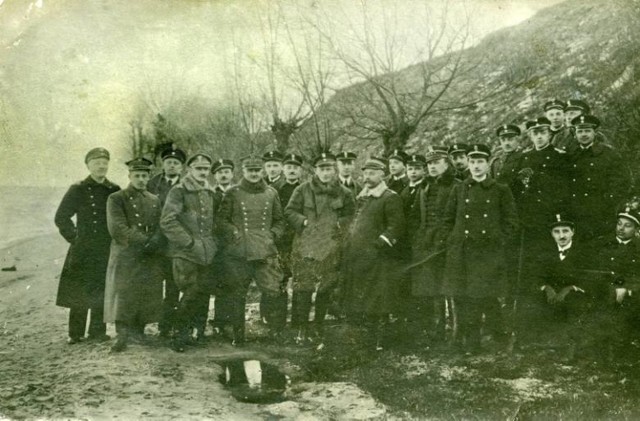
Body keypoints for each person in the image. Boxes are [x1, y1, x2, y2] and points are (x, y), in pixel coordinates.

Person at [442, 144, 519, 353]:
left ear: (488, 164)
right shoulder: (459, 189)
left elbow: (511, 223)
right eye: (473, 162)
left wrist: (497, 241)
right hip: (462, 252)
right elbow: (448, 219)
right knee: (463, 296)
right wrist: (452, 240)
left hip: (487, 253)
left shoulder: (500, 189)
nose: (476, 166)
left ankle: (492, 338)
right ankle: (469, 340)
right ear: (468, 163)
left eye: (480, 162)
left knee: (482, 296)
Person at [285, 152, 355, 342]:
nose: (326, 173)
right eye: (322, 169)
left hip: (331, 246)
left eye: (329, 169)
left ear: (334, 170)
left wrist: (340, 224)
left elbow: (351, 215)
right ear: (316, 170)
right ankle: (302, 328)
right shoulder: (302, 190)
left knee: (325, 287)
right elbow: (290, 211)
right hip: (305, 245)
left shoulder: (345, 193)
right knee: (303, 289)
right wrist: (304, 221)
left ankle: (318, 325)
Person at [54, 147, 121, 344]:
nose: (101, 166)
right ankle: (75, 334)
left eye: (104, 162)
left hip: (105, 247)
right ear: (88, 165)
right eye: (96, 163)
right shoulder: (78, 188)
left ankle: (97, 332)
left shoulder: (114, 190)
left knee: (102, 288)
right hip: (83, 248)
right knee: (79, 290)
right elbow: (61, 217)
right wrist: (74, 237)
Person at [218, 155, 286, 345]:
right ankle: (238, 336)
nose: (254, 174)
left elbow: (280, 220)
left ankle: (275, 333)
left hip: (265, 250)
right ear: (244, 172)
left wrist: (273, 234)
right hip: (240, 252)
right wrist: (234, 232)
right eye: (250, 171)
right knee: (238, 294)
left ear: (262, 171)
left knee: (274, 291)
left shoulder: (271, 193)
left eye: (257, 170)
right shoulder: (232, 193)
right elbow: (221, 220)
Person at [343, 157, 405, 350]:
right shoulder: (362, 197)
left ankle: (380, 340)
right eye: (365, 174)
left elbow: (396, 226)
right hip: (358, 256)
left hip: (378, 258)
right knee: (361, 299)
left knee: (379, 301)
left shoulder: (390, 197)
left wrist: (380, 244)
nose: (367, 177)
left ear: (382, 175)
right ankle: (365, 338)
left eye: (372, 173)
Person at [161, 152, 221, 352]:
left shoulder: (209, 191)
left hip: (206, 252)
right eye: (199, 169)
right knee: (190, 291)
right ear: (189, 170)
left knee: (202, 291)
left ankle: (198, 332)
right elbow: (167, 221)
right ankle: (180, 335)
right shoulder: (179, 191)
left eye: (206, 169)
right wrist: (188, 242)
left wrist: (212, 243)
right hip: (185, 252)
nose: (203, 172)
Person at [104, 158, 164, 352]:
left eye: (144, 176)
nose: (140, 179)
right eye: (136, 175)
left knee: (146, 290)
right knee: (124, 291)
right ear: (129, 176)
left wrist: (154, 241)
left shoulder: (154, 199)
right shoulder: (116, 198)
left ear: (148, 177)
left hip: (148, 254)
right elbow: (117, 227)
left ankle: (139, 331)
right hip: (126, 252)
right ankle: (122, 333)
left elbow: (160, 225)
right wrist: (143, 240)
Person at [410, 146, 458, 343]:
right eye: (429, 163)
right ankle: (435, 331)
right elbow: (417, 217)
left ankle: (455, 332)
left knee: (450, 290)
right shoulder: (425, 187)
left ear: (446, 163)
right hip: (426, 246)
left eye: (436, 162)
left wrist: (449, 240)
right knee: (429, 290)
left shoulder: (457, 185)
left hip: (448, 245)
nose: (432, 166)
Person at [512, 117, 570, 260]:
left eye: (542, 132)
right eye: (535, 133)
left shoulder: (559, 156)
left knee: (550, 250)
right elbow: (518, 186)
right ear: (530, 136)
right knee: (530, 252)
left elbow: (565, 187)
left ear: (549, 134)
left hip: (551, 212)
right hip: (529, 213)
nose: (539, 136)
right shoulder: (524, 158)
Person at [568, 114, 631, 241]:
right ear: (575, 134)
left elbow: (622, 181)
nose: (584, 134)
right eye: (580, 131)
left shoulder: (608, 154)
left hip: (601, 213)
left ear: (595, 133)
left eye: (587, 131)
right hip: (576, 213)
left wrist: (607, 202)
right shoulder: (570, 155)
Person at [147, 146, 186, 338]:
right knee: (151, 283)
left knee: (173, 285)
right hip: (154, 242)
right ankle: (143, 323)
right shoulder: (153, 184)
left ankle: (167, 324)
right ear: (163, 165)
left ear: (181, 167)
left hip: (175, 244)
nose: (172, 166)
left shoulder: (186, 185)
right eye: (169, 162)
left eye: (176, 163)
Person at [261, 153, 304, 329]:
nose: (292, 171)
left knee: (295, 280)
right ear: (284, 169)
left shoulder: (304, 189)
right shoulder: (272, 188)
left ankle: (294, 321)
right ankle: (272, 319)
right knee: (274, 279)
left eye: (295, 168)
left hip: (296, 239)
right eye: (289, 167)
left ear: (300, 170)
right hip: (276, 240)